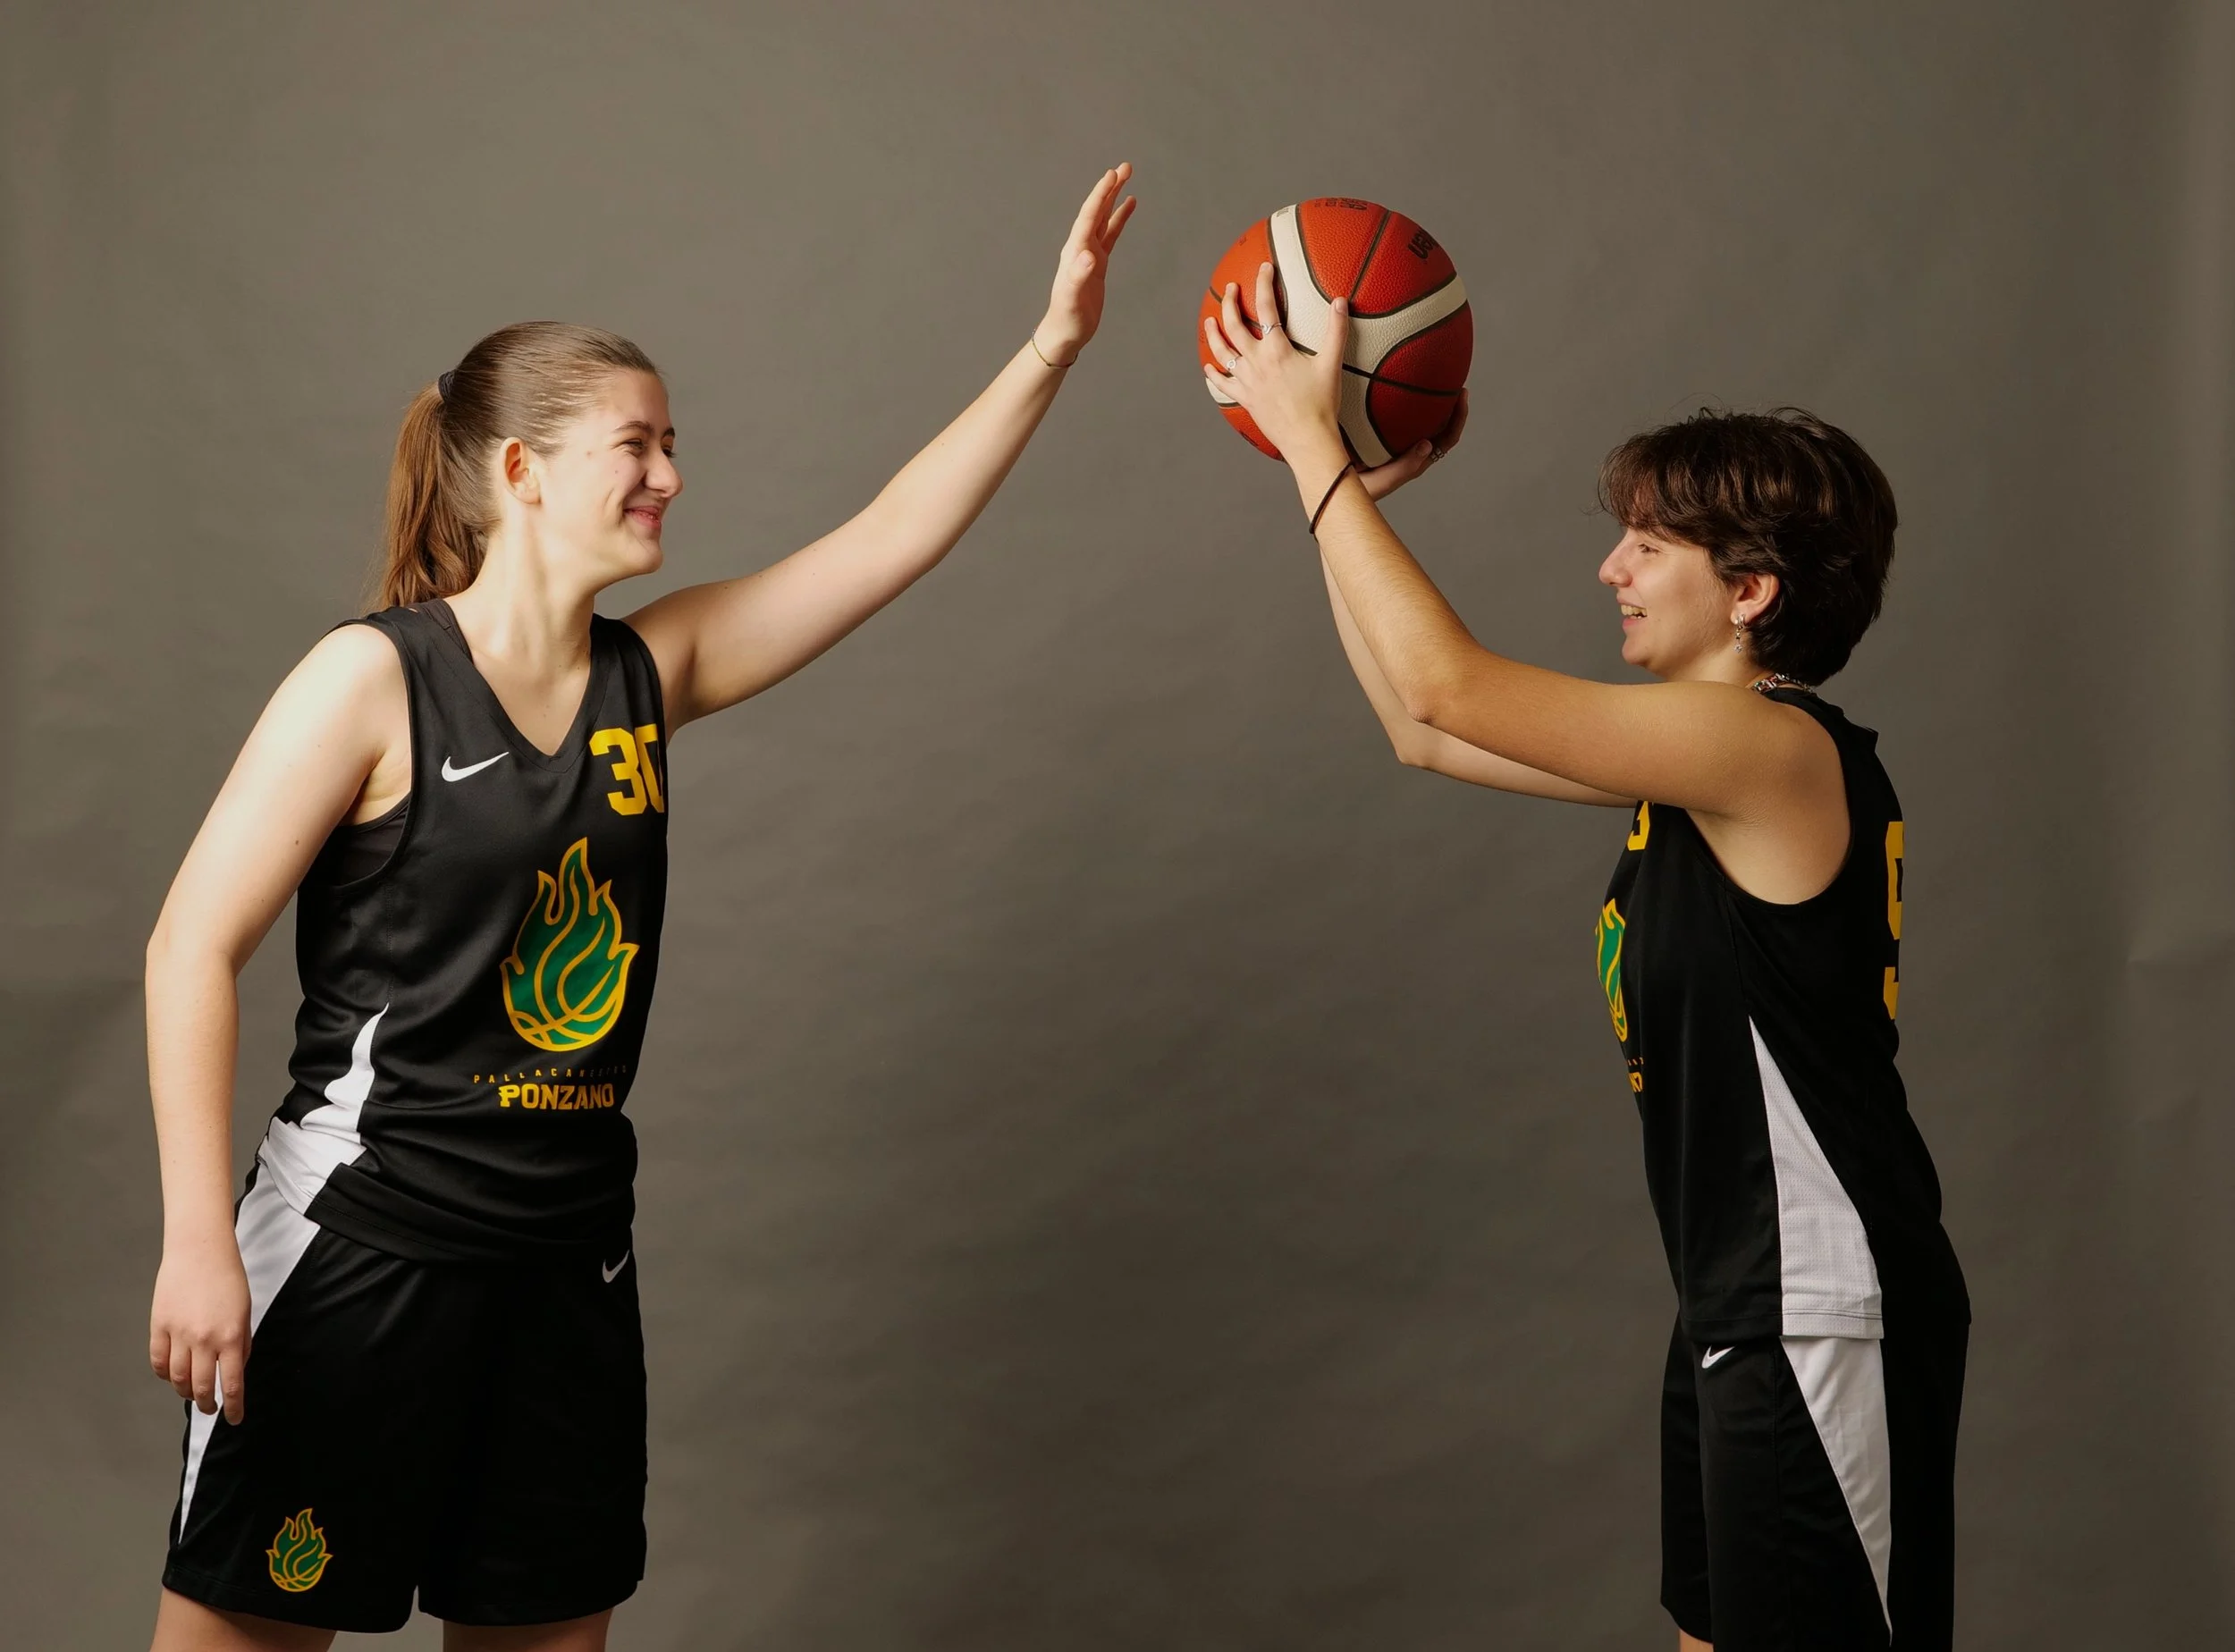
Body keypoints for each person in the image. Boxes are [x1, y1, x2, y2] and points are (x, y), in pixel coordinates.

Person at [143, 164, 1137, 1652]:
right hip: (359, 1252)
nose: (670, 471)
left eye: (674, 442)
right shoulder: (371, 680)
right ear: (522, 475)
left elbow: (887, 540)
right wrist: (194, 1244)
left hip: (564, 1268)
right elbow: (188, 946)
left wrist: (1053, 342)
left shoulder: (645, 677)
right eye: (637, 445)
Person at [1204, 266, 1969, 1651]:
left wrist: (1313, 437)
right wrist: (1333, 512)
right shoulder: (1696, 774)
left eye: (1646, 549)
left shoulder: (1769, 749)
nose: (1609, 570)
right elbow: (1422, 732)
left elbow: (1448, 682)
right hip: (1738, 1304)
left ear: (1751, 592)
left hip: (1819, 1309)